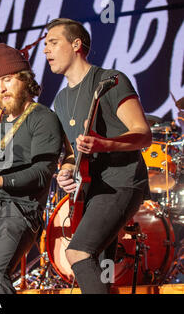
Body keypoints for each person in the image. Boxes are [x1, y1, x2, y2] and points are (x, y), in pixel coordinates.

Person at [43, 18, 152, 293]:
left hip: (122, 183)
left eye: (53, 43)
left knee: (76, 253)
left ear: (76, 44)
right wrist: (66, 172)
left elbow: (143, 134)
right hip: (90, 191)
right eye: (45, 45)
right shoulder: (61, 100)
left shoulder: (110, 80)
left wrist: (105, 144)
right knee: (101, 274)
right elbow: (71, 154)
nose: (46, 51)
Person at [0, 43, 63, 293]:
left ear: (25, 80)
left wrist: (0, 182)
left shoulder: (43, 118)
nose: (1, 88)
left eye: (7, 79)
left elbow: (43, 173)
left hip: (21, 210)